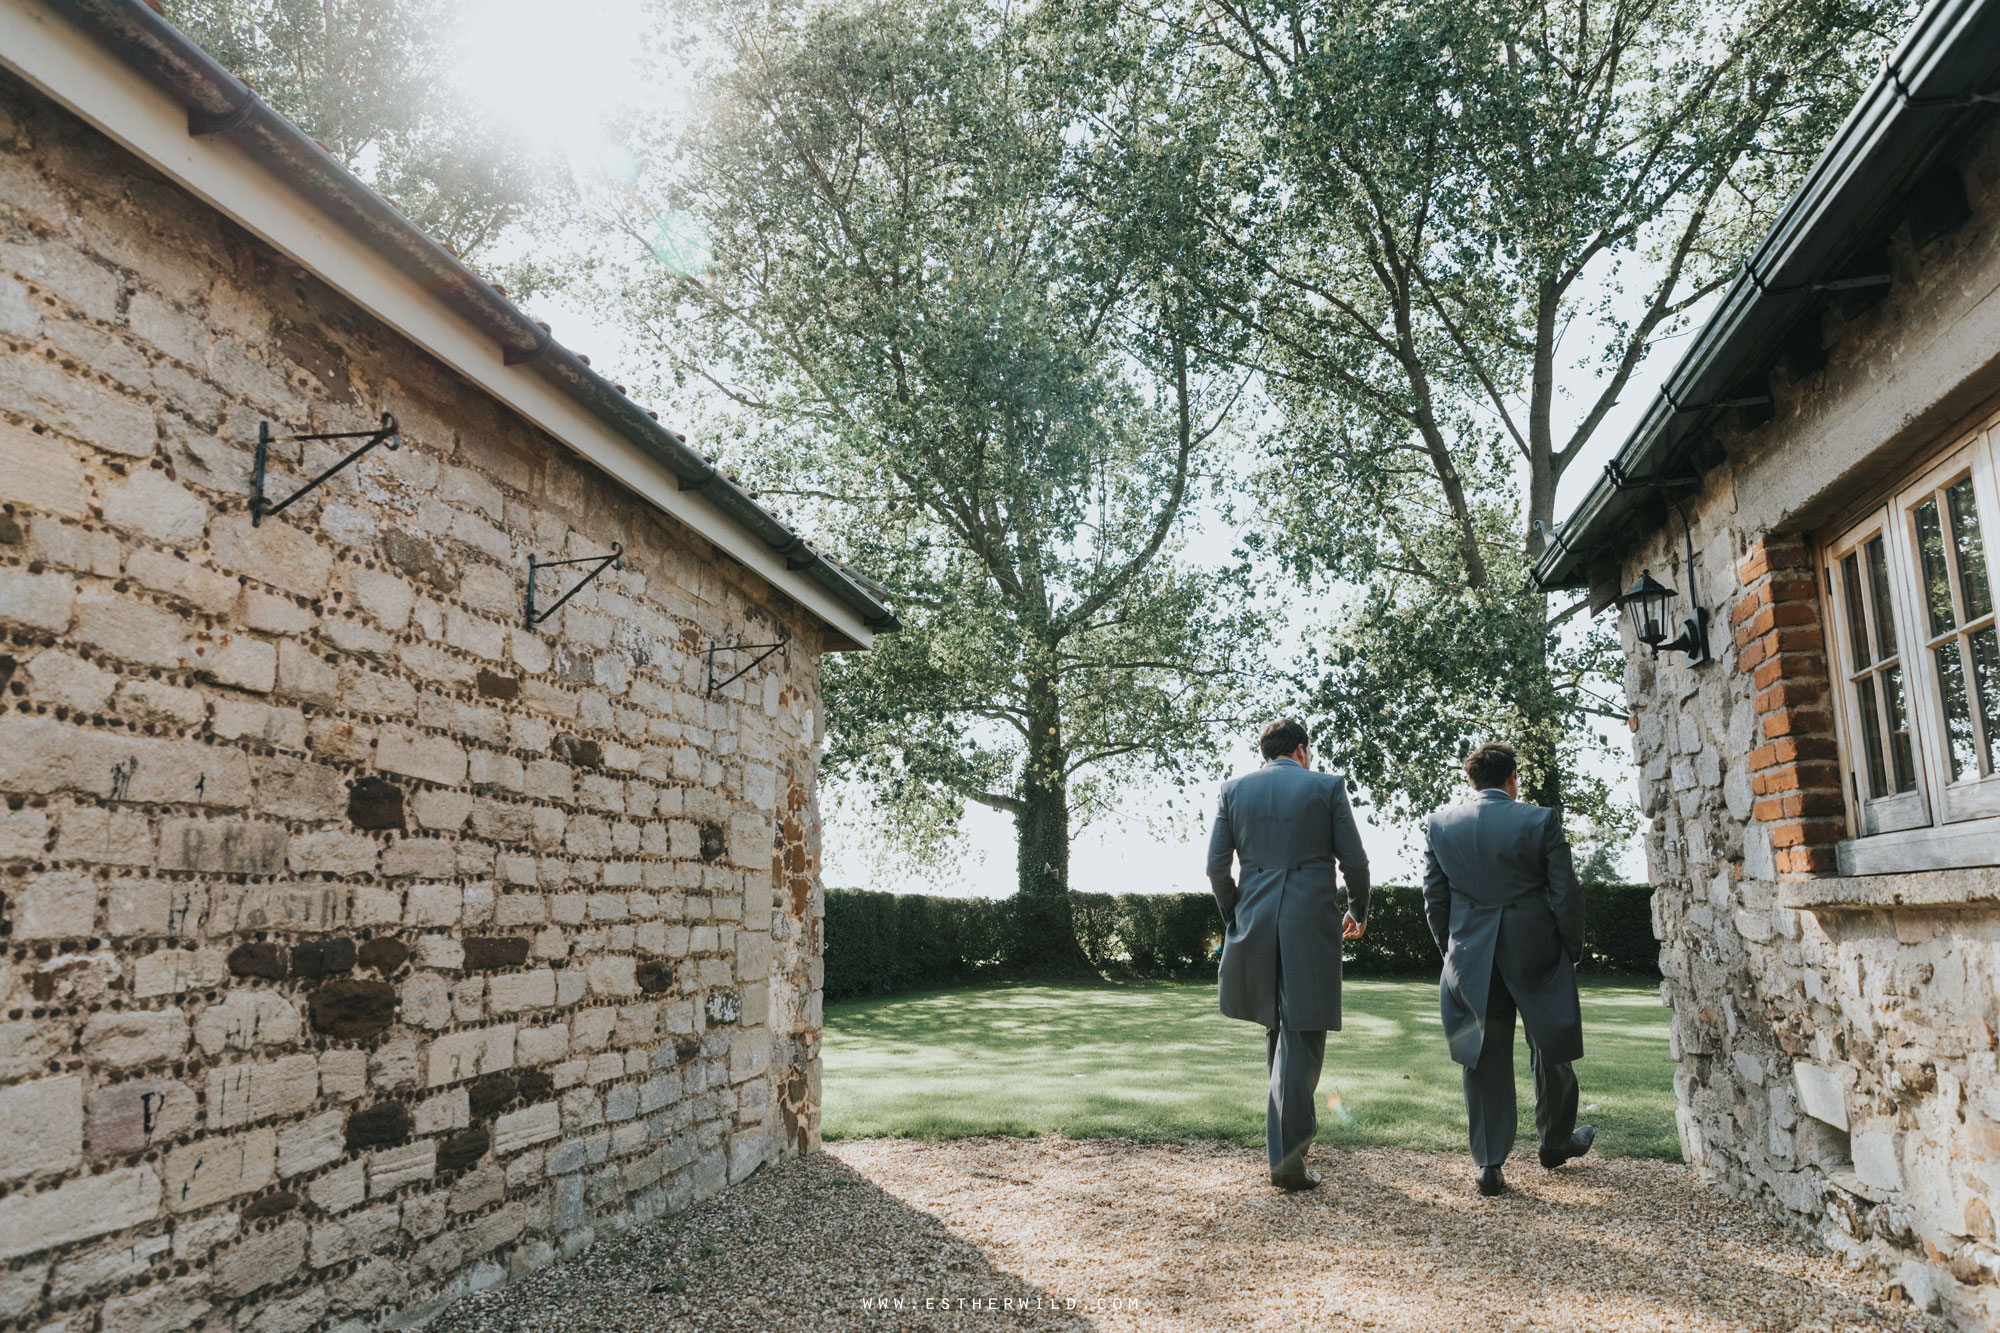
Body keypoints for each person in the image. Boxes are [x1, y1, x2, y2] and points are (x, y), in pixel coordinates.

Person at [1421, 741, 1593, 1196]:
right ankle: (1555, 1143)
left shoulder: (1440, 825)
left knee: (1482, 1055)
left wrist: (1452, 949)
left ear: (1471, 781)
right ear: (1512, 779)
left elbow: (1435, 900)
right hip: (1535, 948)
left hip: (1470, 953)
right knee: (1550, 1046)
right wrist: (1568, 947)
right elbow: (1565, 893)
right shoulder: (1539, 819)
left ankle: (1489, 1164)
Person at [1205, 718, 1370, 1191]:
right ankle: (1289, 1160)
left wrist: (1235, 913)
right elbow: (1354, 861)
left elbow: (1217, 867)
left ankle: (1286, 1145)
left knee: (1279, 1029)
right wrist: (1358, 909)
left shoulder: (1233, 790)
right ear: (1301, 749)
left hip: (1254, 918)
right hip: (1309, 921)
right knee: (1304, 1030)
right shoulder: (1327, 787)